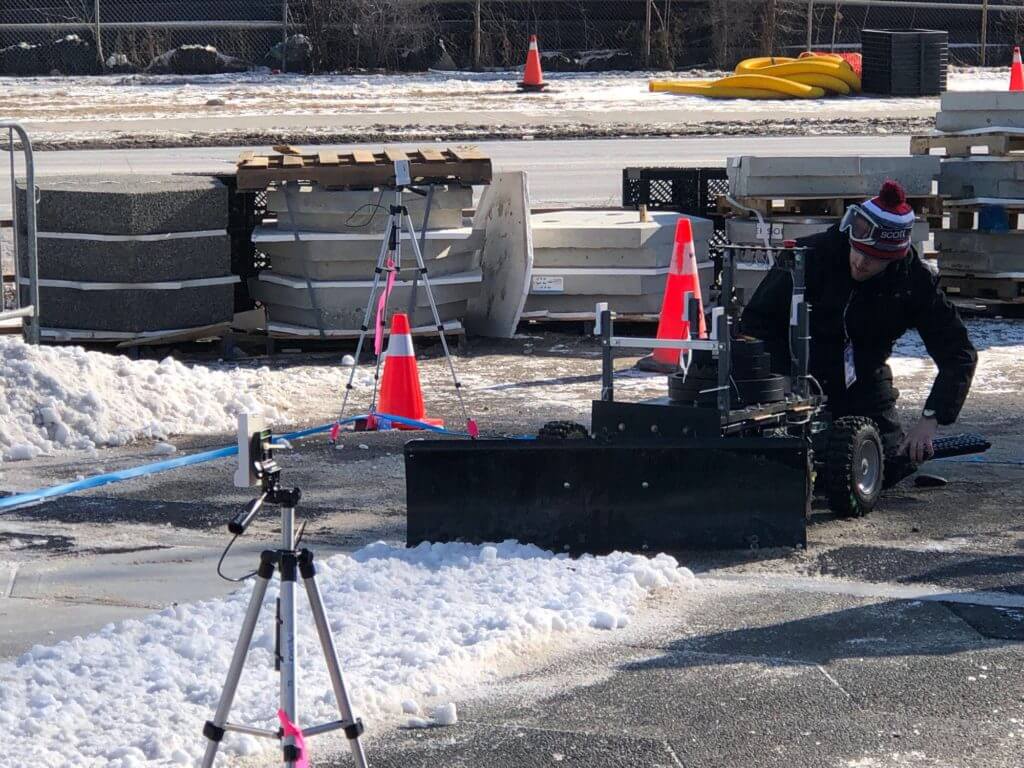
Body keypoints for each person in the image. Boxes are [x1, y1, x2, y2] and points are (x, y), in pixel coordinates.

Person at [740, 180, 977, 467]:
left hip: (864, 379)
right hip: (797, 374)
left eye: (876, 259)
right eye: (859, 251)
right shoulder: (807, 256)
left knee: (885, 462)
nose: (862, 263)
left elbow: (958, 353)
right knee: (778, 460)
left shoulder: (913, 282)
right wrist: (781, 377)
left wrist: (931, 418)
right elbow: (756, 321)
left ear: (894, 259)